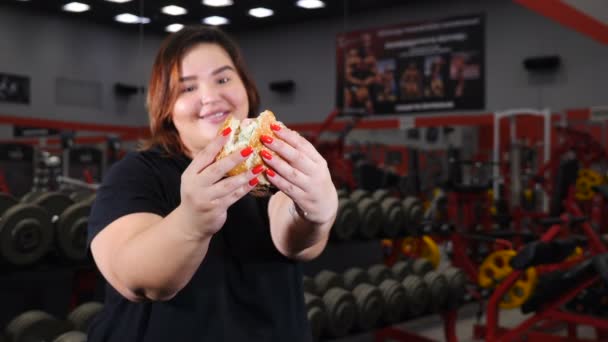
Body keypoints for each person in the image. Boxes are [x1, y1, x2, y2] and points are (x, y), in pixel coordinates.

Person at [86, 25, 338, 342]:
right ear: (166, 106)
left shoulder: (273, 160)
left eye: (222, 79)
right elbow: (134, 276)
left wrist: (315, 212)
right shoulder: (137, 173)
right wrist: (191, 223)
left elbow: (297, 241)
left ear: (245, 87)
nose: (210, 96)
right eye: (187, 88)